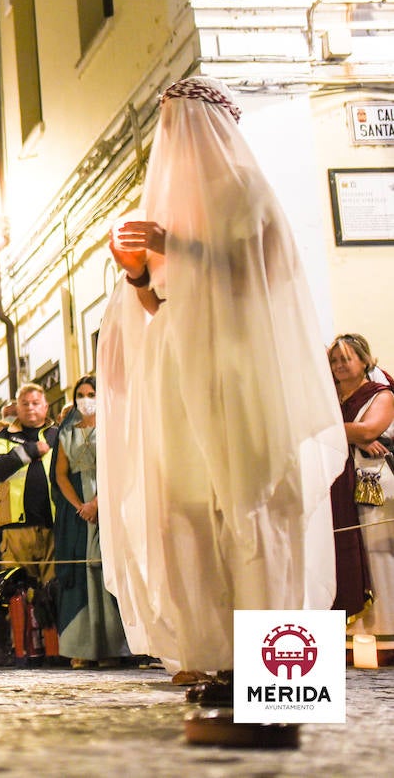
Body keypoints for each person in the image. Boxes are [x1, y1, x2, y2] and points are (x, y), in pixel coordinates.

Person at [97, 75, 346, 682]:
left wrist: (175, 244)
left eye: (183, 125)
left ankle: (282, 673)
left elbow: (259, 284)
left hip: (242, 377)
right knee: (184, 513)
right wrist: (136, 274)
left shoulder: (248, 195)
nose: (172, 141)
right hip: (180, 379)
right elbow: (166, 306)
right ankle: (211, 654)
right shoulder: (168, 214)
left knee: (258, 509)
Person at [52, 376, 128, 668]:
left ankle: (112, 646)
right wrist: (80, 506)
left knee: (105, 568)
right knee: (81, 572)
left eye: (91, 393)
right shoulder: (67, 432)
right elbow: (61, 473)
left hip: (108, 503)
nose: (86, 399)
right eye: (81, 394)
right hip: (78, 510)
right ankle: (82, 645)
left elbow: (118, 466)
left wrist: (98, 503)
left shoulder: (112, 427)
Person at [328, 335, 393, 628]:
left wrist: (330, 430)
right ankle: (348, 633)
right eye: (335, 360)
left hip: (372, 485)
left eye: (346, 359)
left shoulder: (381, 394)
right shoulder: (326, 397)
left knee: (377, 555)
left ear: (365, 361)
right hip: (334, 485)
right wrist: (352, 433)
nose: (339, 365)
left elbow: (369, 431)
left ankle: (384, 632)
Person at [0, 384, 58, 589]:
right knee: (17, 594)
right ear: (17, 408)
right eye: (25, 404)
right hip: (17, 528)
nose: (30, 408)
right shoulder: (4, 437)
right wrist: (29, 451)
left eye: (36, 403)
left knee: (53, 593)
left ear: (46, 406)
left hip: (52, 525)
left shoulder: (57, 435)